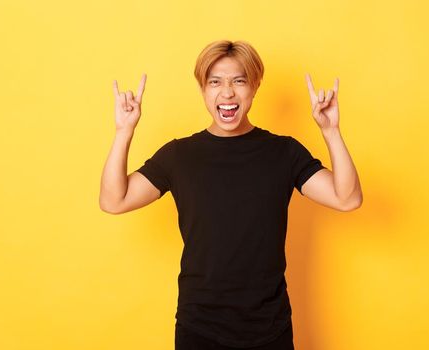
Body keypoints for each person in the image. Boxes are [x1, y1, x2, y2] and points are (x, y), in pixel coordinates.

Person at [98, 40, 363, 349]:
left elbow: (347, 198)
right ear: (202, 90)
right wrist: (123, 132)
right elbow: (113, 200)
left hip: (269, 327)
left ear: (255, 86)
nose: (227, 93)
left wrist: (331, 132)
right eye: (215, 82)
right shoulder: (179, 155)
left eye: (239, 81)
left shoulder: (283, 152)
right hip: (199, 328)